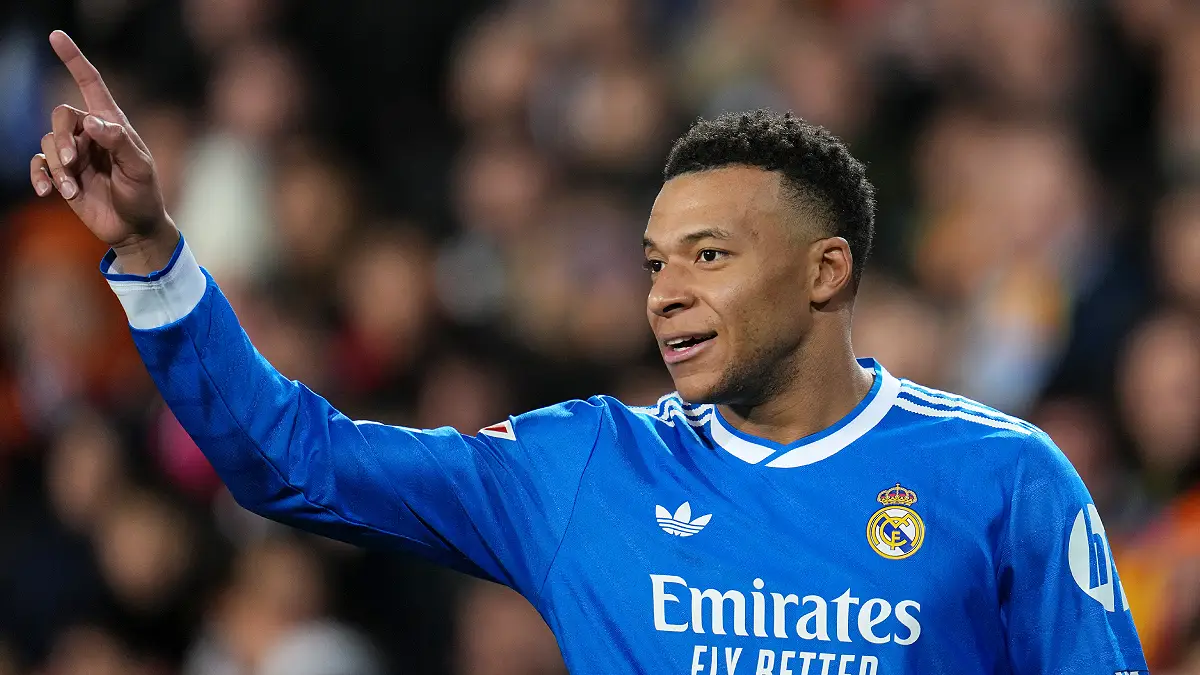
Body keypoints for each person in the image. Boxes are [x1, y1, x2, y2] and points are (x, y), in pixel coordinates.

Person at [31, 30, 1147, 675]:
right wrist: (155, 254)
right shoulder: (580, 472)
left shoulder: (1006, 482)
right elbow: (293, 461)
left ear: (826, 273)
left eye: (709, 256)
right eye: (655, 262)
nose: (666, 295)